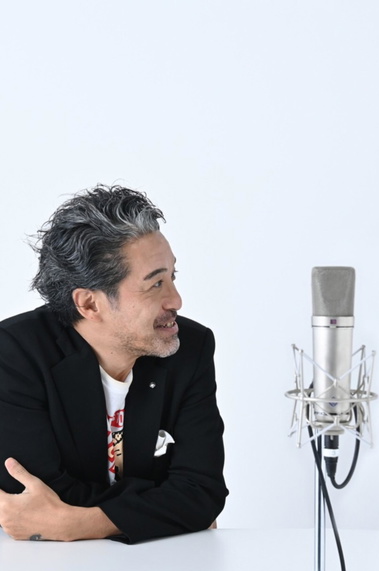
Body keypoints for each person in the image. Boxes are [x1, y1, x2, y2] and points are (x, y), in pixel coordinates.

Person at [0, 185, 228, 543]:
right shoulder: (14, 354)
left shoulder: (191, 348)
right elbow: (36, 498)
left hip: (160, 564)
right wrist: (170, 509)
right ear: (90, 304)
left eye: (172, 277)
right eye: (155, 284)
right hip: (42, 567)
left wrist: (80, 524)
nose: (176, 300)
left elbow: (203, 490)